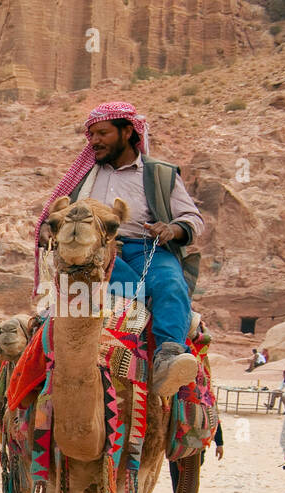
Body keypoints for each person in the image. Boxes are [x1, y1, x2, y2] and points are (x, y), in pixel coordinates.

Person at [35, 100, 206, 398]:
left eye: (102, 133)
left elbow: (192, 219)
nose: (95, 141)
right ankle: (35, 383)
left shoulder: (159, 175)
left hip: (148, 248)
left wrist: (171, 229)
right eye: (91, 135)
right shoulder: (84, 176)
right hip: (95, 250)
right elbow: (58, 217)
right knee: (60, 311)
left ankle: (167, 357)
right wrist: (49, 230)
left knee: (170, 284)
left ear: (127, 132)